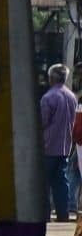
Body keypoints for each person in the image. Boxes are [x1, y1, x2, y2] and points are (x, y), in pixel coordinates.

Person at [43, 63, 78, 222]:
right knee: (61, 182)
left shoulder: (48, 97)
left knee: (43, 183)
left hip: (48, 146)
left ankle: (44, 214)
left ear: (51, 78)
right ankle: (63, 214)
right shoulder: (72, 97)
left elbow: (42, 122)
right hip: (65, 147)